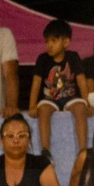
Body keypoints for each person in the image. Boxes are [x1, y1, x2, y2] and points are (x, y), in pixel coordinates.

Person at [28, 18, 89, 152]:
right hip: (49, 99)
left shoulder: (73, 57)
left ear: (65, 42)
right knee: (43, 111)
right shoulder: (42, 59)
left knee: (81, 108)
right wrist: (32, 106)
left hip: (70, 97)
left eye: (53, 41)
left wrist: (87, 102)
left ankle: (83, 150)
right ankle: (45, 151)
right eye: (46, 41)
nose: (49, 45)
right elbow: (36, 83)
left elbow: (81, 81)